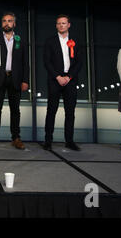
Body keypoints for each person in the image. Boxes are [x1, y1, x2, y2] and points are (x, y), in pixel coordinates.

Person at [0, 12, 29, 150]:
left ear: (14, 24)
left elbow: (25, 63)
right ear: (2, 24)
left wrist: (25, 80)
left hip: (15, 79)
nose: (7, 23)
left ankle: (16, 138)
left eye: (10, 21)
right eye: (4, 21)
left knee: (15, 110)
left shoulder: (20, 40)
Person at [43, 14, 83, 151]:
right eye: (59, 23)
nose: (61, 25)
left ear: (69, 25)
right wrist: (58, 77)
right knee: (51, 111)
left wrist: (69, 77)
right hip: (55, 80)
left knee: (70, 112)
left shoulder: (76, 40)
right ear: (56, 26)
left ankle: (69, 141)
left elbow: (79, 62)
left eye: (64, 23)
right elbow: (47, 62)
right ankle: (48, 141)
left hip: (70, 81)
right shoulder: (50, 41)